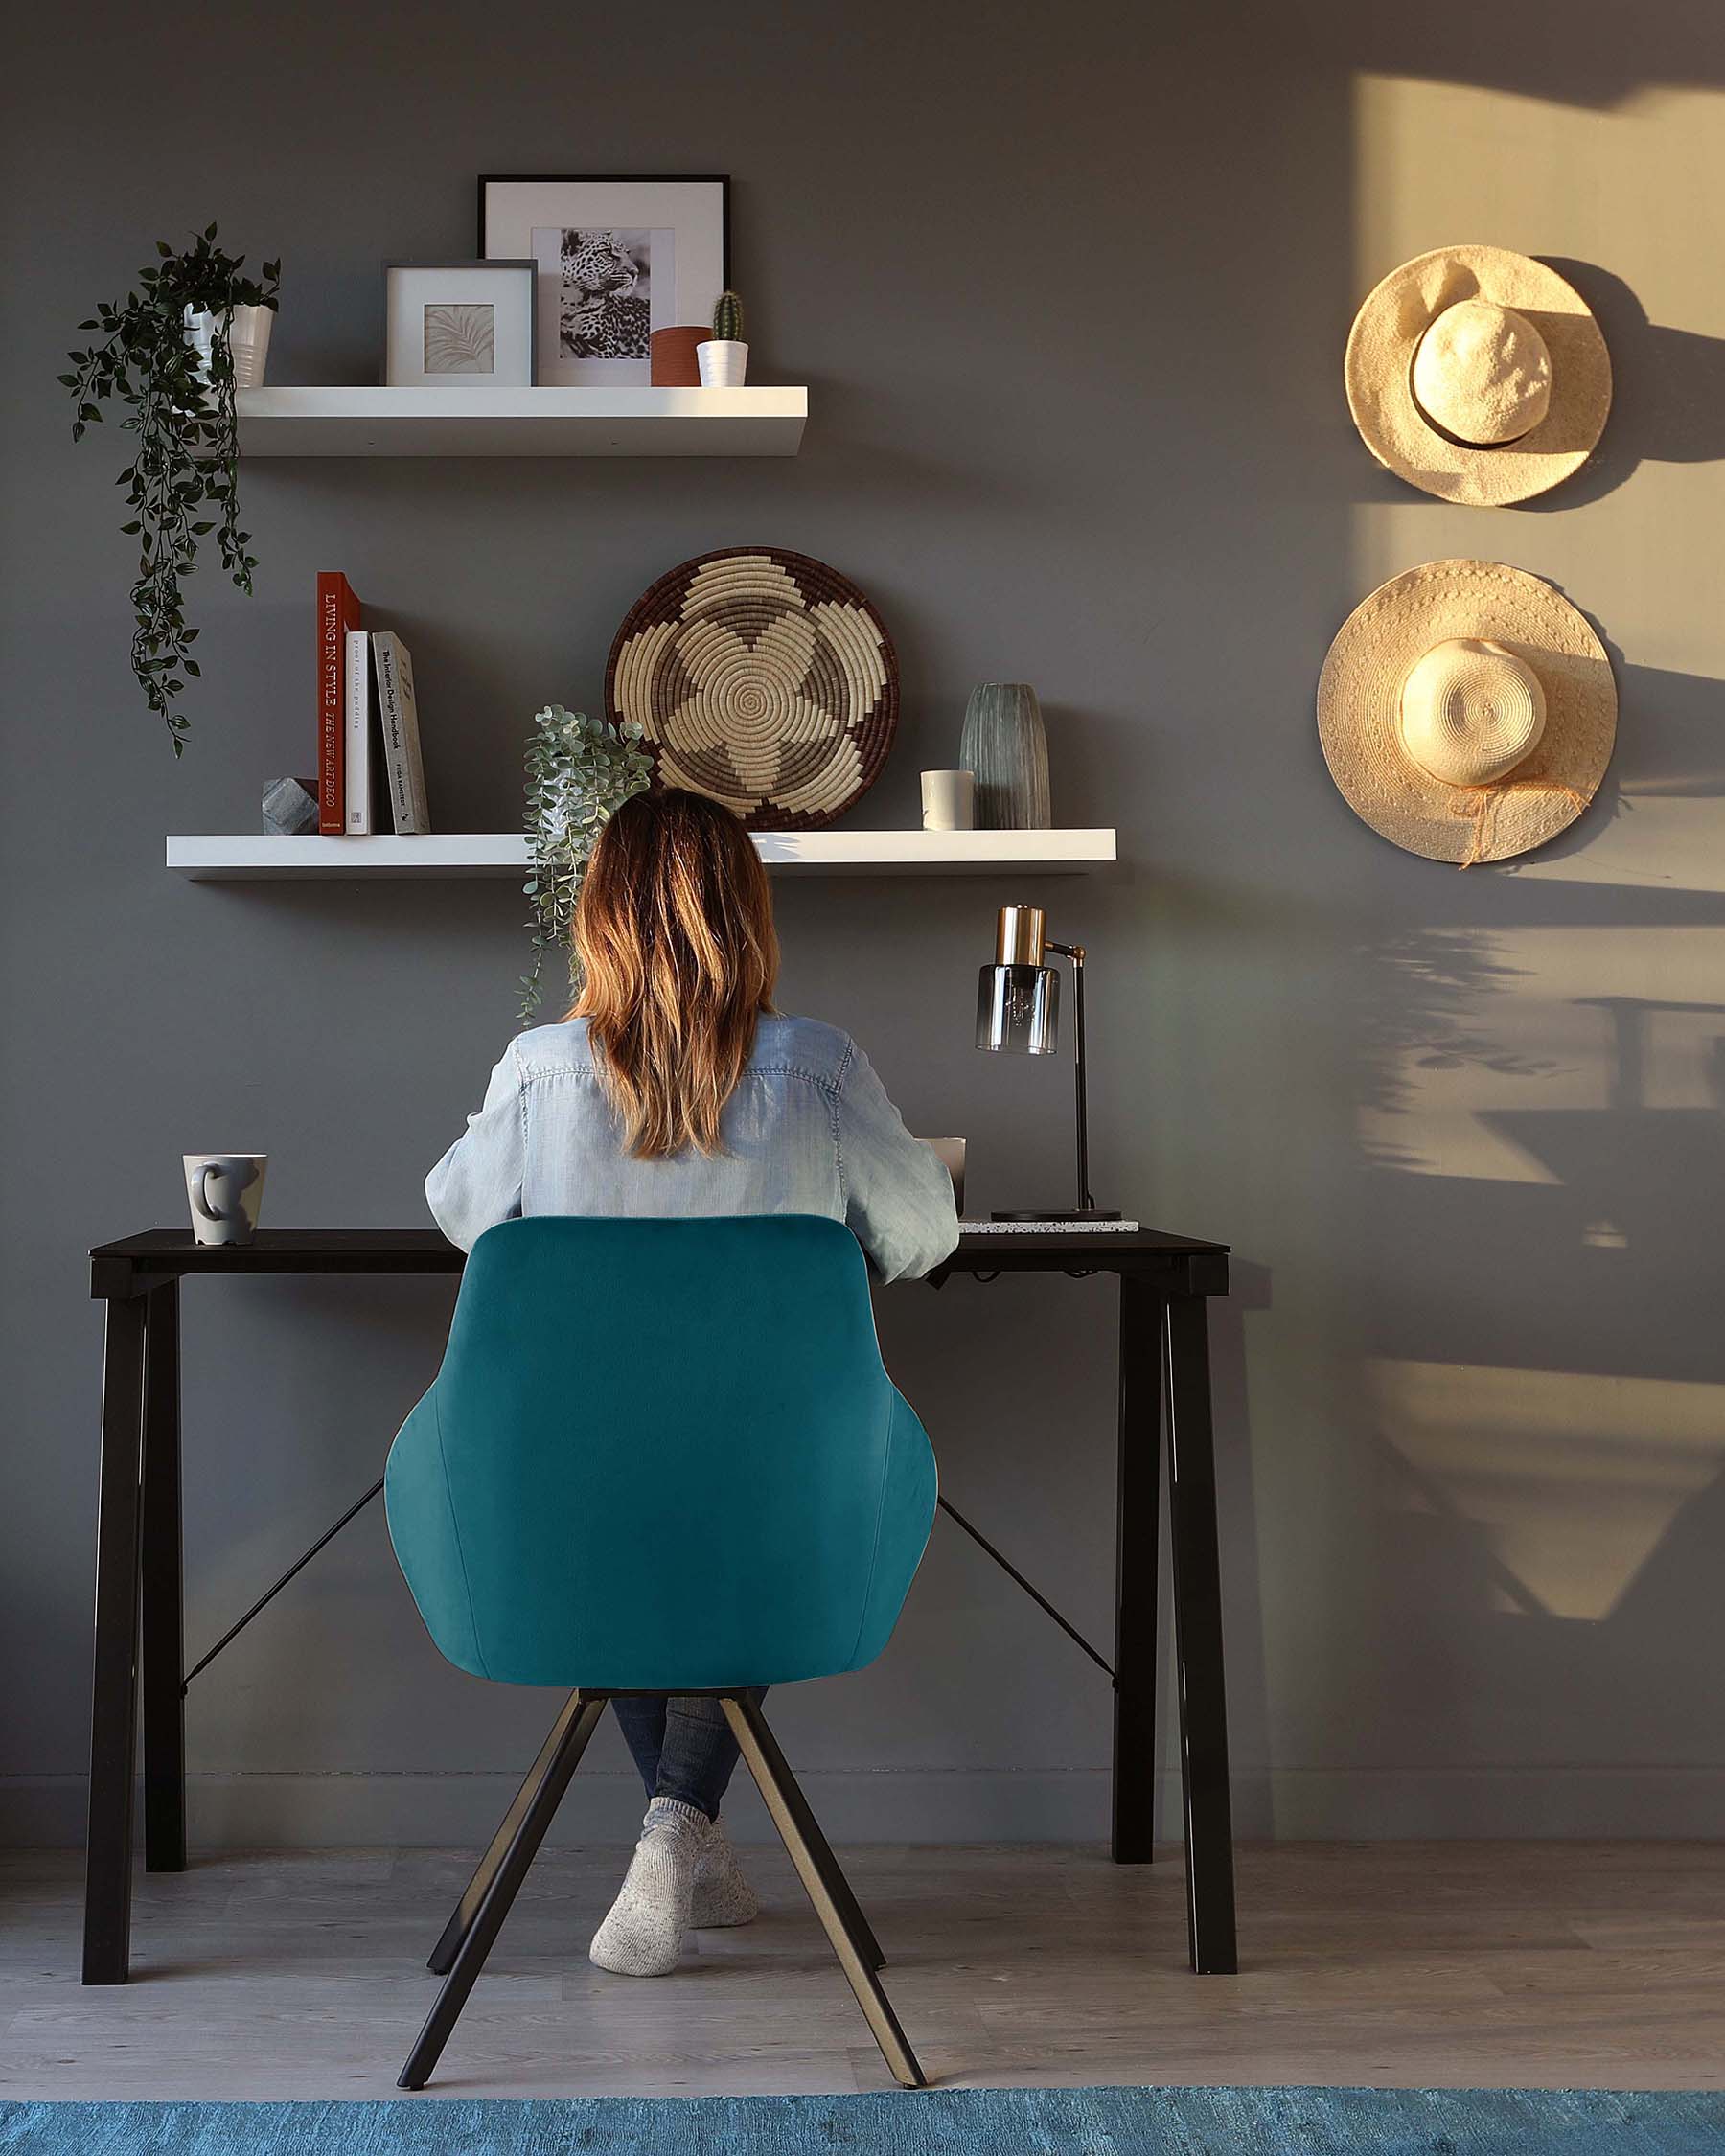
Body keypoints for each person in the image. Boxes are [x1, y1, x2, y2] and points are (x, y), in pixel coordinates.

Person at [426, 788, 959, 1977]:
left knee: (635, 1514)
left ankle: (678, 1835)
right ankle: (679, 1836)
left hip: (565, 1491)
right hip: (779, 1493)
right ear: (748, 916)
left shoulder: (539, 1068)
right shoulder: (818, 1066)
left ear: (599, 919)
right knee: (745, 1494)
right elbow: (925, 1233)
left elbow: (462, 1217)